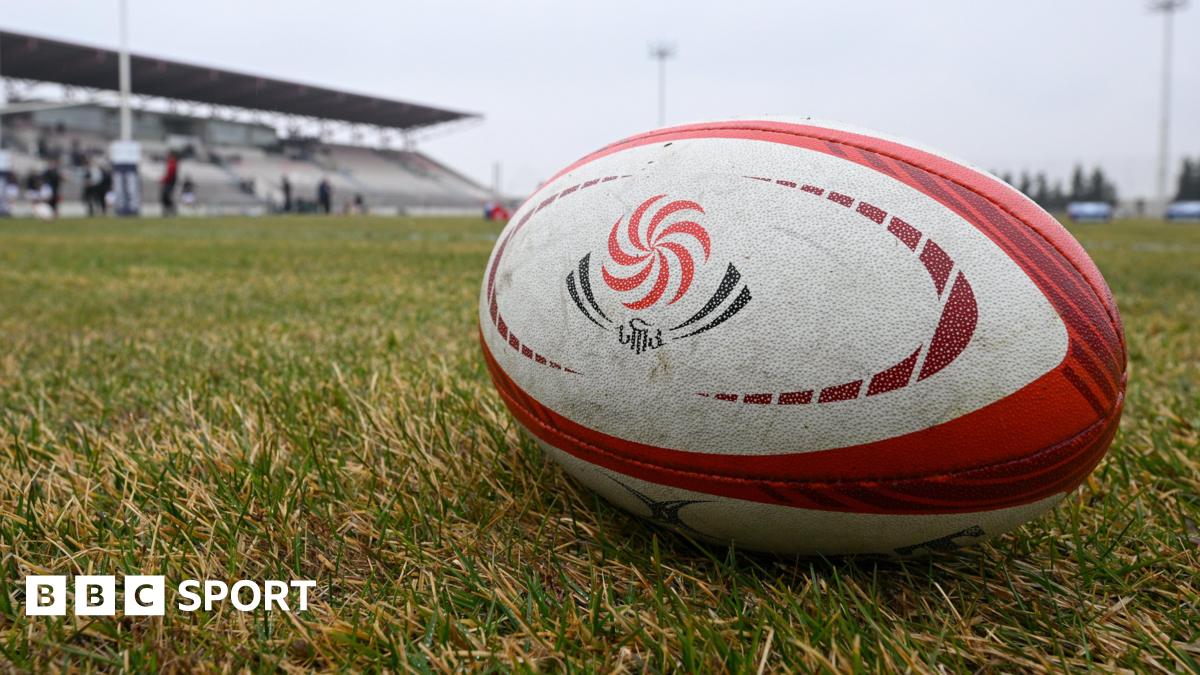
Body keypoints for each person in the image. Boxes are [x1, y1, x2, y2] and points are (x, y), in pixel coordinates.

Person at [161, 150, 179, 216]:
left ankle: (170, 210)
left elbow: (170, 175)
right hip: (169, 182)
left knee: (166, 197)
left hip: (169, 183)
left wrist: (163, 179)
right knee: (166, 197)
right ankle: (169, 210)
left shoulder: (172, 163)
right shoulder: (171, 163)